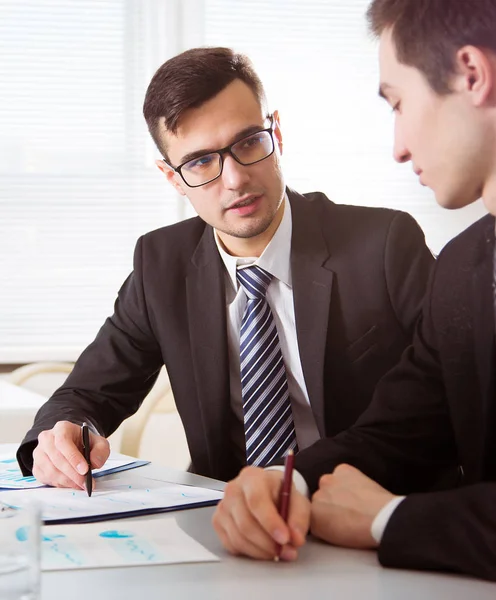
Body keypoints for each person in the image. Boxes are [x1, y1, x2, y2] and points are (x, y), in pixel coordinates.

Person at [211, 0, 496, 594]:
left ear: (472, 74)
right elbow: (399, 433)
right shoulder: (465, 265)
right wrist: (286, 484)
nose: (396, 146)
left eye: (398, 103)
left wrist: (389, 520)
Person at [17, 48, 433, 489]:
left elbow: (438, 403)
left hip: (367, 510)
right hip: (227, 524)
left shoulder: (384, 245)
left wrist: (293, 483)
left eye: (249, 141)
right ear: (173, 177)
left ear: (277, 133)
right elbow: (87, 392)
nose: (234, 179)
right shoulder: (162, 265)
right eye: (200, 162)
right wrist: (61, 436)